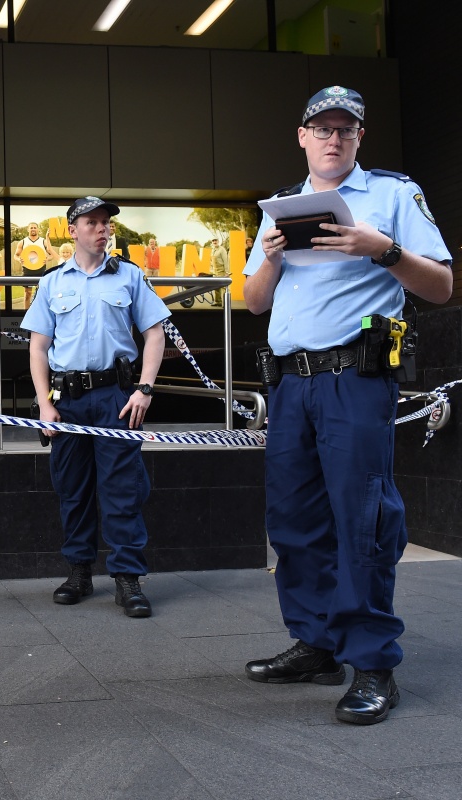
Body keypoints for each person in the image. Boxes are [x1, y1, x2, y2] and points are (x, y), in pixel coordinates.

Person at [242, 86, 452, 725]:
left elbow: (441, 286)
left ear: (360, 138)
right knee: (294, 518)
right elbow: (253, 302)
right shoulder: (281, 208)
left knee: (360, 516)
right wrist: (273, 259)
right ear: (301, 136)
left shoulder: (392, 195)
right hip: (291, 384)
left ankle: (372, 662)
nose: (334, 139)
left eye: (346, 129)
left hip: (353, 379)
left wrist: (380, 250)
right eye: (322, 128)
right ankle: (317, 643)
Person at [23, 196, 171, 617]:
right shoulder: (52, 282)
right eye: (91, 222)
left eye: (106, 222)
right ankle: (79, 572)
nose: (102, 229)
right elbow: (38, 347)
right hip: (66, 400)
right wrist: (43, 405)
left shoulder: (129, 276)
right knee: (73, 488)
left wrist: (144, 388)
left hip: (115, 397)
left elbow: (155, 333)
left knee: (122, 489)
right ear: (71, 230)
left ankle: (127, 578)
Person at [15, 222, 56, 306]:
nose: (33, 229)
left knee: (41, 295)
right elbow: (15, 255)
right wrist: (19, 259)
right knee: (27, 294)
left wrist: (47, 259)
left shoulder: (43, 241)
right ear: (28, 229)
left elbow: (52, 255)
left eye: (34, 228)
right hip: (27, 270)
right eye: (31, 228)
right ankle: (26, 315)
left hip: (41, 270)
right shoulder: (22, 242)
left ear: (38, 230)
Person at [210, 237, 229, 307]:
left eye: (216, 240)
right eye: (213, 241)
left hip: (221, 270)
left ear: (218, 241)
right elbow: (212, 260)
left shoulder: (222, 250)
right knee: (215, 286)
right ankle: (218, 301)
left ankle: (225, 303)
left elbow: (225, 261)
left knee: (223, 287)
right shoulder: (213, 250)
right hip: (215, 271)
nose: (214, 242)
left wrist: (227, 272)